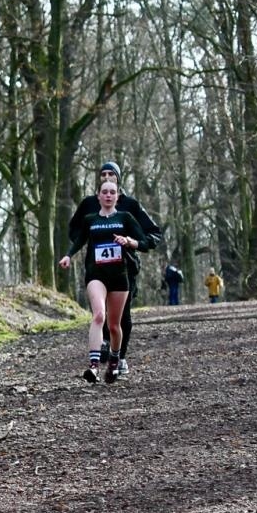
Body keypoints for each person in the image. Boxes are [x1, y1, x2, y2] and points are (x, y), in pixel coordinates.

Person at [67, 161, 161, 377]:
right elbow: (75, 231)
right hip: (97, 268)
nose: (107, 177)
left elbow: (152, 234)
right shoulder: (89, 204)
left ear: (118, 180)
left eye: (112, 174)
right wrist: (89, 242)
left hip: (125, 266)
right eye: (104, 174)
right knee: (99, 312)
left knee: (121, 316)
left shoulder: (130, 206)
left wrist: (132, 243)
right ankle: (102, 349)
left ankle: (120, 357)